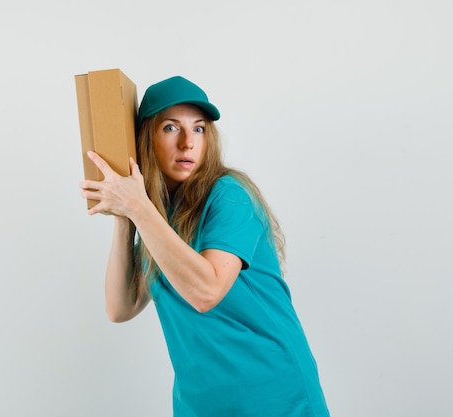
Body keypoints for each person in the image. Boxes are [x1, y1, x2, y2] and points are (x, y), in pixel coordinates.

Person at [79, 75, 330, 417]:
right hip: (200, 405)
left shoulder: (230, 196)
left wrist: (138, 208)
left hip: (272, 397)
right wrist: (126, 218)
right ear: (146, 138)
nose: (187, 143)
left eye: (198, 129)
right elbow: (120, 308)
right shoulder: (159, 216)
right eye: (170, 128)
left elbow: (206, 292)